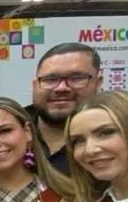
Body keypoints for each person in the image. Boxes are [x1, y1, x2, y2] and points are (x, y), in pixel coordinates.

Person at [28, 43, 102, 174]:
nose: (61, 88)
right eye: (50, 79)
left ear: (97, 83)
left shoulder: (121, 137)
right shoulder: (5, 131)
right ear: (35, 85)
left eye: (76, 78)